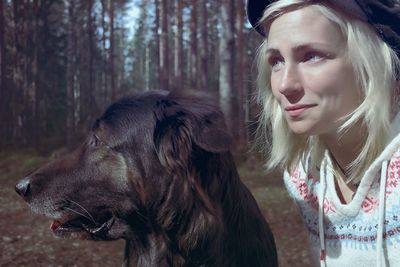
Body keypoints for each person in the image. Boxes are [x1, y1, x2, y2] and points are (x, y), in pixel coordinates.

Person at [247, 0, 400, 266]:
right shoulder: (304, 179)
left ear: (373, 61)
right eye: (276, 61)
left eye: (311, 56)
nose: (285, 84)